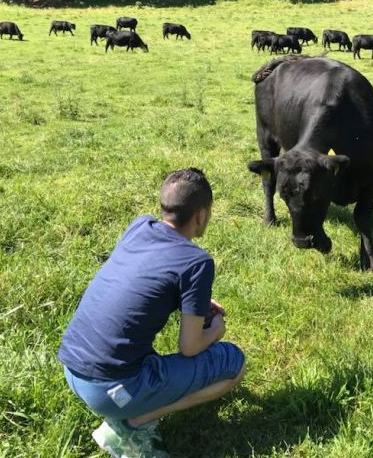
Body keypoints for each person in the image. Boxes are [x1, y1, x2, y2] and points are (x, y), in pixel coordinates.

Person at [58, 168, 246, 458]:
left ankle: (133, 409)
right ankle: (135, 421)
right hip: (111, 388)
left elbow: (143, 282)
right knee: (234, 363)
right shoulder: (197, 262)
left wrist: (196, 303)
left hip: (73, 368)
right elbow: (190, 347)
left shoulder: (139, 226)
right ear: (200, 215)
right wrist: (217, 330)